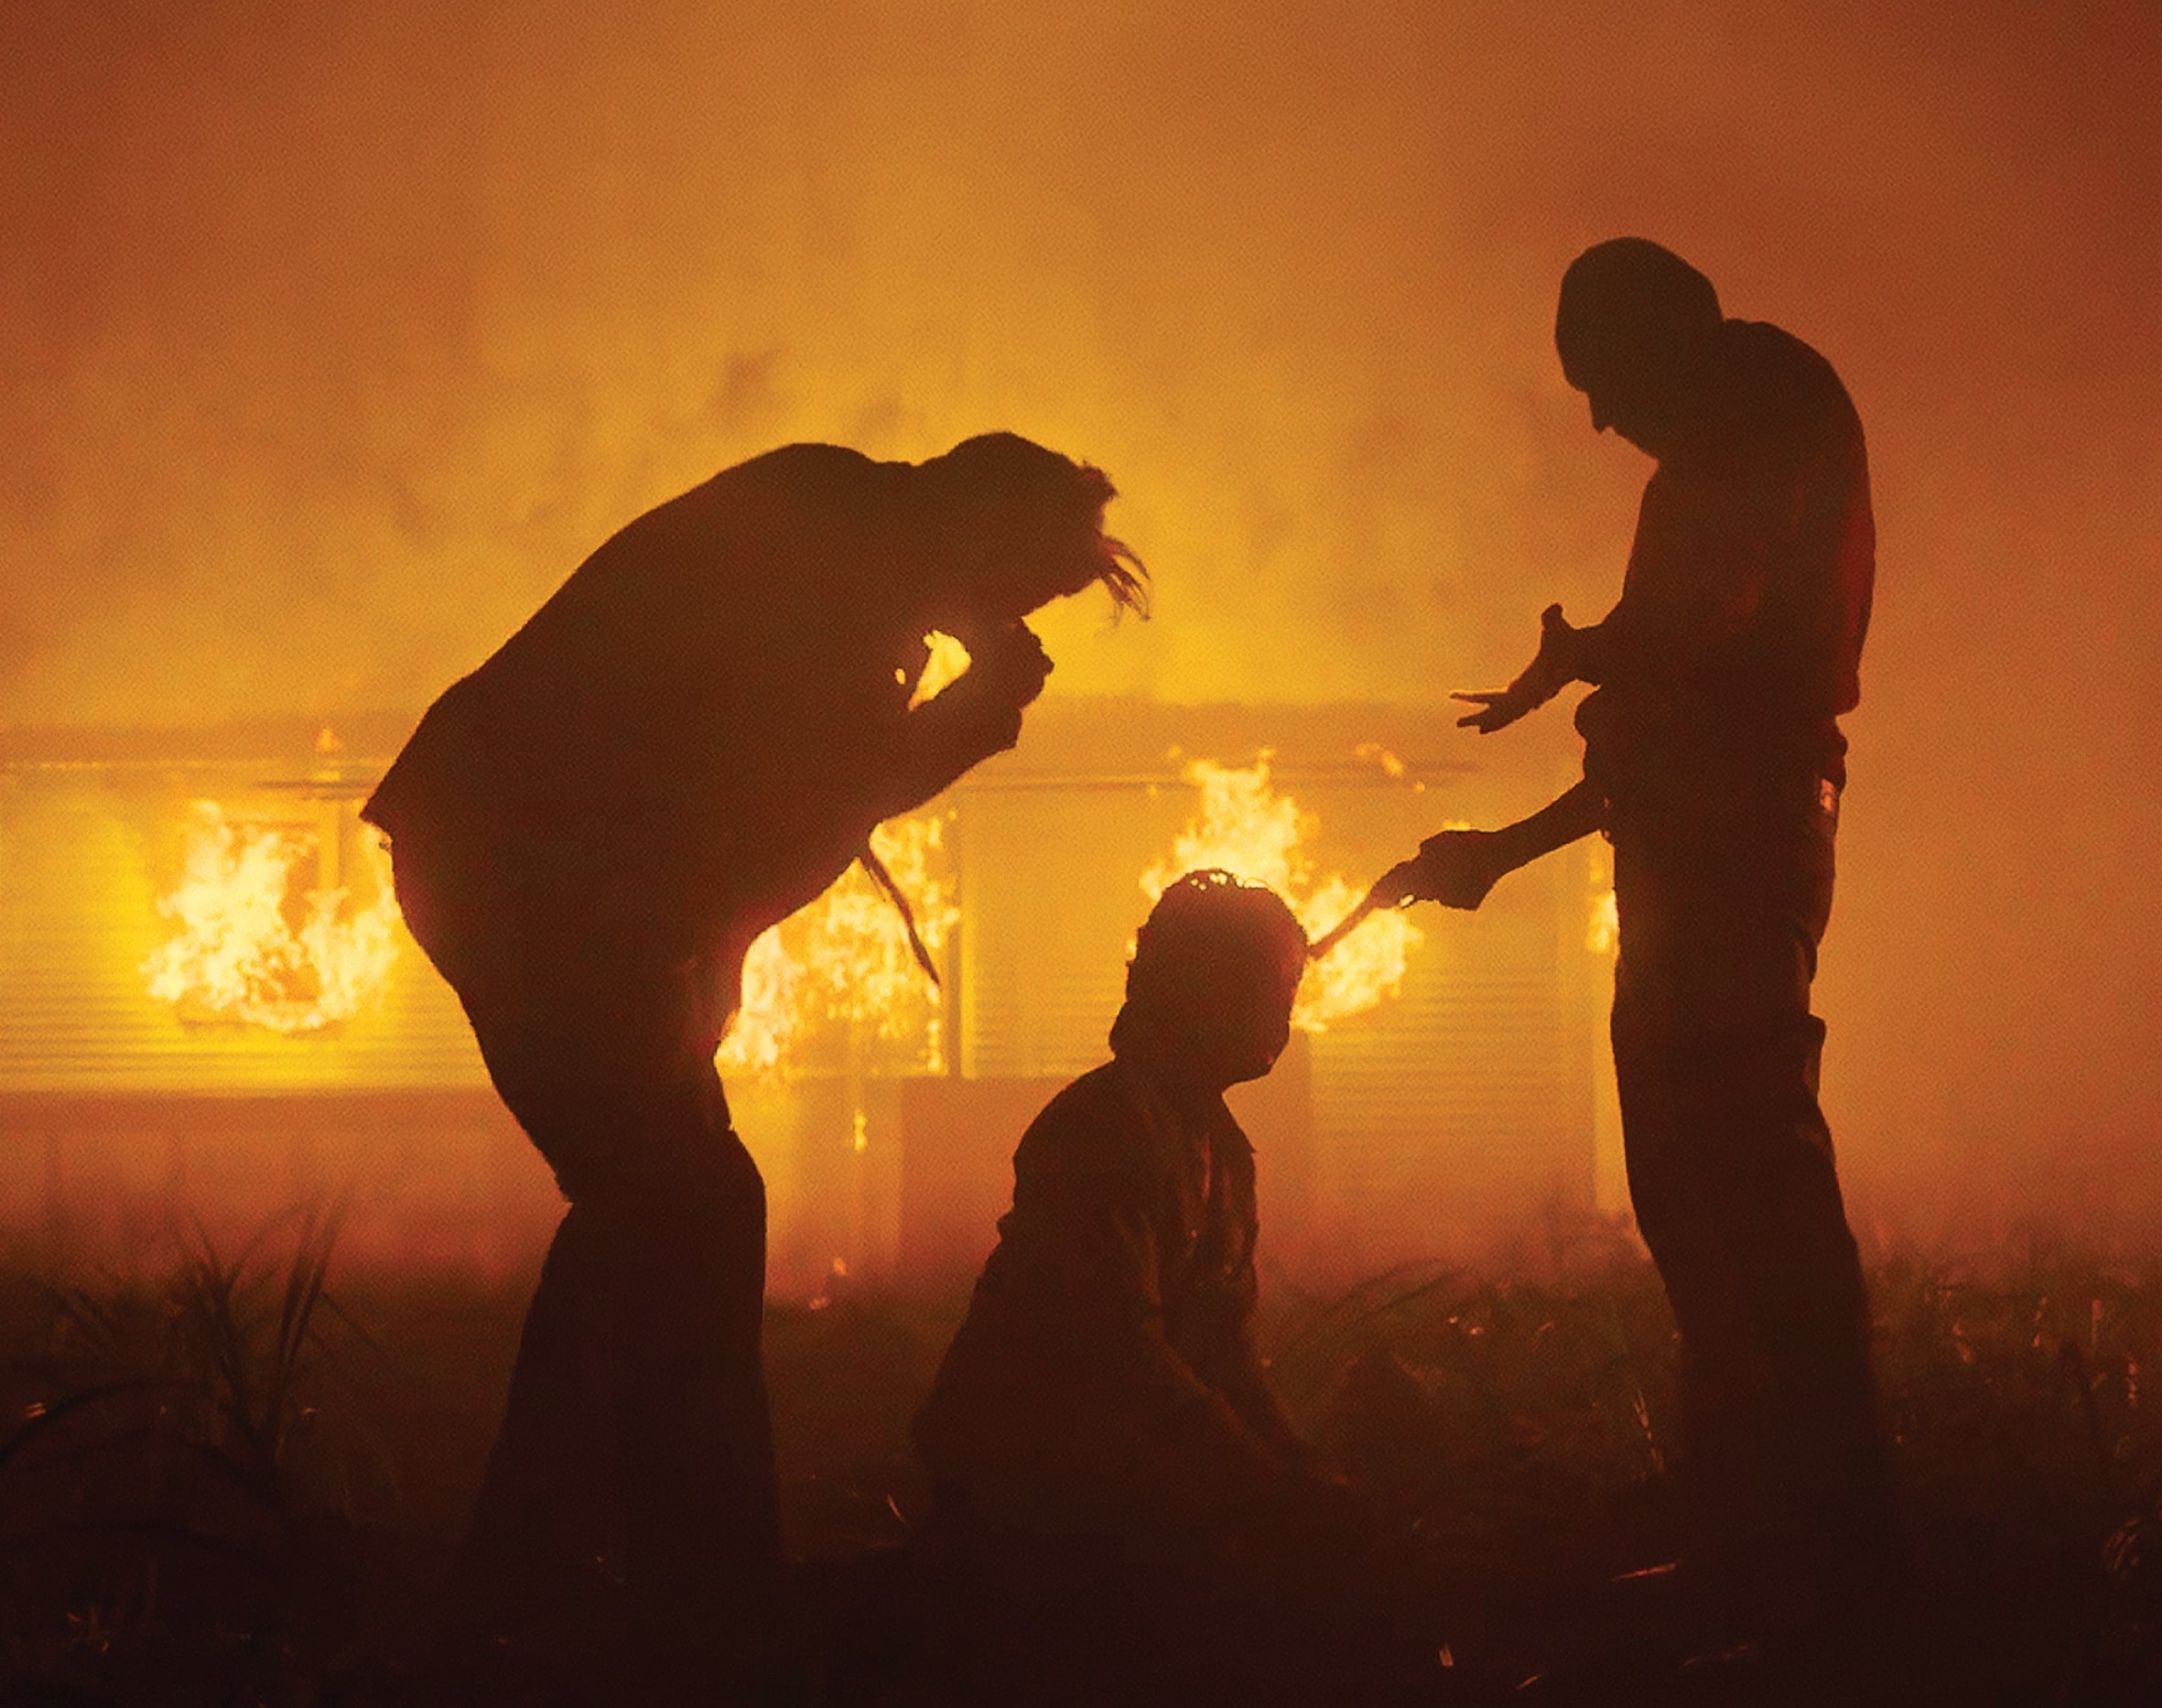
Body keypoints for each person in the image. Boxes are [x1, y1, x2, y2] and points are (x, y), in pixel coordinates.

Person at [362, 434, 1142, 1675]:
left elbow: (773, 811)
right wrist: (970, 721)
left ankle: (586, 1571)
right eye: (1012, 590)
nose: (998, 618)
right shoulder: (829, 569)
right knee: (686, 1204)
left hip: (565, 890)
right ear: (976, 529)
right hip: (529, 882)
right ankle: (674, 1587)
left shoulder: (847, 547)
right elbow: (805, 806)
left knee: (656, 1216)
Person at [1384, 237, 1897, 1603]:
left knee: (1747, 1165)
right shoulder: (1739, 433)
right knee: (1693, 1168)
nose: (1601, 420)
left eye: (1601, 380)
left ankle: (1821, 1510)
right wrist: (1508, 843)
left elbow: (1700, 628)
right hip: (1700, 838)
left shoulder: (1754, 414)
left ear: (1667, 336)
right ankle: (1754, 1484)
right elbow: (1672, 709)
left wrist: (1592, 656)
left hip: (1736, 841)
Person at [910, 870, 1387, 1703]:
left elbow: (1226, 1355)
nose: (1285, 1014)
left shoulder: (1223, 1154)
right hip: (1026, 1471)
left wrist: (1305, 1470)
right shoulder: (1100, 1132)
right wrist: (1260, 1485)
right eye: (1273, 988)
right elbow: (1122, 1354)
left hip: (1121, 1461)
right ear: (1205, 993)